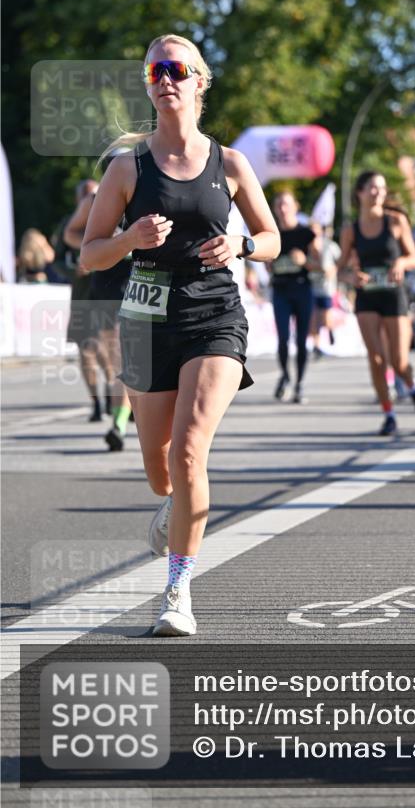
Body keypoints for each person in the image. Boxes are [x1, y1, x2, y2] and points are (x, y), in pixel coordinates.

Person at [80, 33, 280, 637]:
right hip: (146, 321)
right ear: (148, 85)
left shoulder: (231, 163)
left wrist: (243, 244)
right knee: (160, 468)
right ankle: (175, 505)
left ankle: (177, 590)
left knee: (190, 449)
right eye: (155, 70)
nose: (165, 78)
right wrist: (128, 239)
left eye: (177, 69)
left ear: (199, 81)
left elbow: (272, 239)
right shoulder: (127, 167)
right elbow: (90, 254)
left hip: (215, 315)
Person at [337, 171, 415, 436]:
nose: (378, 192)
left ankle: (413, 387)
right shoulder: (351, 230)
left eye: (381, 187)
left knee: (398, 361)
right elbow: (340, 270)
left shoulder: (396, 221)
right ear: (360, 193)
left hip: (393, 294)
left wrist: (401, 262)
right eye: (372, 187)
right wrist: (352, 277)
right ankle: (388, 413)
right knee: (376, 359)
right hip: (367, 295)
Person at [65, 158, 134, 451]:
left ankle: (123, 418)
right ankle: (119, 421)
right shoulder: (93, 200)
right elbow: (70, 233)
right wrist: (91, 248)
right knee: (117, 359)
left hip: (142, 283)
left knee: (129, 358)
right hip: (106, 286)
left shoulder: (153, 190)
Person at [270, 192, 321, 402]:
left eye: (286, 204)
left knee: (301, 340)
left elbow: (321, 265)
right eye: (279, 205)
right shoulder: (271, 233)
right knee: (283, 339)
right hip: (280, 290)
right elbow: (266, 263)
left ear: (295, 207)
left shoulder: (307, 233)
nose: (283, 209)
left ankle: (299, 384)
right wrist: (269, 263)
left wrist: (304, 261)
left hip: (302, 289)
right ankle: (285, 376)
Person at [309, 221, 341, 358]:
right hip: (311, 286)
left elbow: (341, 260)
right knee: (314, 318)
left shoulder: (330, 245)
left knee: (325, 318)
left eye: (315, 229)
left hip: (327, 288)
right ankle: (316, 346)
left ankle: (330, 329)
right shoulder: (306, 246)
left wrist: (334, 270)